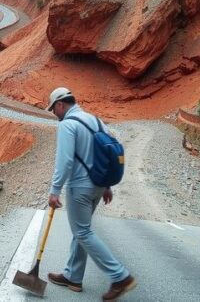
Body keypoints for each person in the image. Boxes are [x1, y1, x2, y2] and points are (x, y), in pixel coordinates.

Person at [45, 87, 136, 301]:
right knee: (82, 231)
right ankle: (73, 277)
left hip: (80, 187)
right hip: (97, 186)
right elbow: (106, 154)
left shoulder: (68, 125)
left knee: (83, 232)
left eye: (53, 109)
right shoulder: (95, 121)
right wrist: (106, 186)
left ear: (60, 104)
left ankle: (119, 276)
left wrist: (54, 190)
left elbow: (65, 160)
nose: (54, 114)